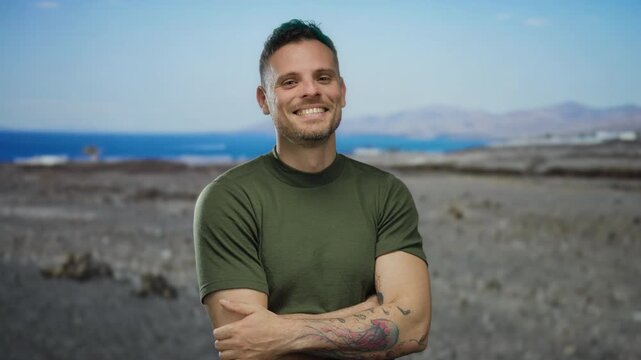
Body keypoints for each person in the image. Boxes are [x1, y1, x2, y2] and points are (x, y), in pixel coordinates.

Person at [193, 19, 431, 359]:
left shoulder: (385, 193)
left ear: (342, 91)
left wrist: (284, 332)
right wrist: (373, 312)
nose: (310, 91)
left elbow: (414, 329)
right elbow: (246, 343)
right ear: (264, 100)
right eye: (290, 82)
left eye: (323, 77)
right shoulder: (229, 199)